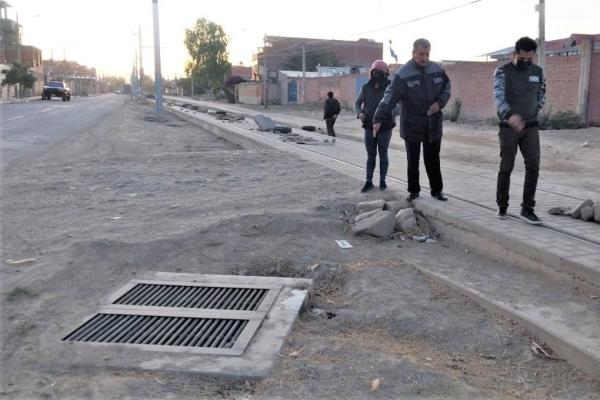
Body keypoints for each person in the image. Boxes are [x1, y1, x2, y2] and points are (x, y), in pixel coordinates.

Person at [373, 38, 451, 202]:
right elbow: (390, 97)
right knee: (413, 160)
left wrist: (439, 103)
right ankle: (414, 191)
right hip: (412, 124)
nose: (424, 58)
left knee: (433, 159)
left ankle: (437, 191)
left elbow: (447, 87)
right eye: (421, 54)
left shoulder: (437, 69)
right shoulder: (403, 74)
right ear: (413, 53)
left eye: (427, 54)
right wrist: (378, 118)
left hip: (433, 123)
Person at [493, 36, 546, 224]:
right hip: (509, 128)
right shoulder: (502, 72)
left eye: (530, 59)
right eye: (522, 58)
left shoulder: (538, 71)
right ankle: (502, 206)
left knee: (533, 165)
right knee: (506, 166)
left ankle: (527, 208)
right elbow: (499, 97)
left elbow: (541, 94)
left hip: (530, 127)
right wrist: (510, 115)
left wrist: (533, 112)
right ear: (514, 54)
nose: (526, 62)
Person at [354, 60, 395, 192]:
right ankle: (368, 181)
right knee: (371, 155)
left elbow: (398, 106)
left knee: (383, 154)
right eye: (375, 72)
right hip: (368, 126)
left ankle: (382, 181)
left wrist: (388, 114)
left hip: (385, 127)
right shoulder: (366, 87)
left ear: (386, 74)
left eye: (381, 73)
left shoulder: (390, 88)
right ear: (372, 73)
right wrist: (359, 113)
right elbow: (357, 103)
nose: (378, 75)